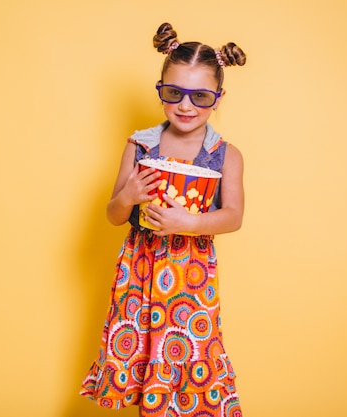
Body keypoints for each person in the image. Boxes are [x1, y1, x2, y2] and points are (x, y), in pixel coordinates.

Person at [80, 22, 246, 417]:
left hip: (192, 274)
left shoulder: (226, 154)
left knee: (187, 353)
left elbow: (234, 216)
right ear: (161, 90)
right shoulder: (140, 145)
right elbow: (112, 214)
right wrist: (129, 196)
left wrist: (187, 223)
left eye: (200, 96)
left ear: (218, 99)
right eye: (174, 93)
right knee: (142, 351)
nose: (186, 106)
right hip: (140, 267)